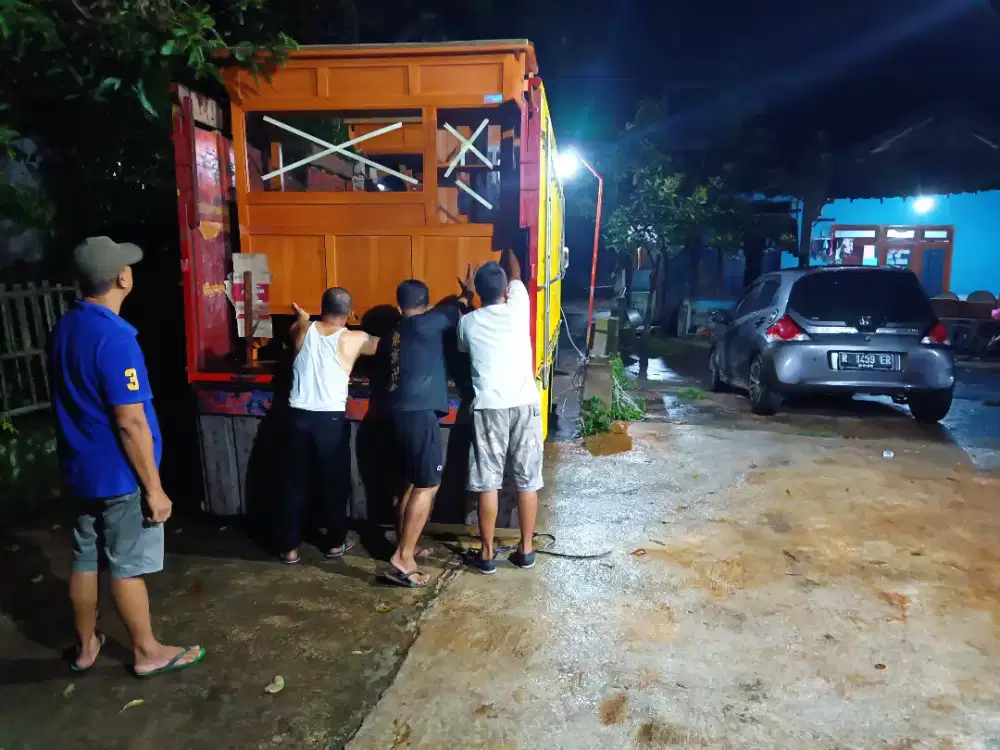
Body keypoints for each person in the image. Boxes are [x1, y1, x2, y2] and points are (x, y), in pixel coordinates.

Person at [50, 236, 204, 677]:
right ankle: (147, 651)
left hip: (79, 469)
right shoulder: (115, 338)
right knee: (126, 564)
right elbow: (130, 421)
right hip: (119, 475)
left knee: (84, 558)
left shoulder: (66, 328)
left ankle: (85, 647)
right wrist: (154, 489)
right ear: (122, 277)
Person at [385, 271, 475, 587]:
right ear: (425, 304)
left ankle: (406, 544)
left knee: (408, 484)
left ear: (400, 305)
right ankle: (403, 556)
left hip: (397, 412)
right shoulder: (429, 323)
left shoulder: (394, 332)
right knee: (428, 484)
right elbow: (458, 308)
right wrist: (467, 293)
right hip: (419, 413)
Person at [457, 249, 542, 575]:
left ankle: (488, 554)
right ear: (506, 290)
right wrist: (509, 250)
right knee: (527, 481)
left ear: (478, 291)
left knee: (488, 482)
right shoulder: (520, 307)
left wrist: (466, 298)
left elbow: (463, 343)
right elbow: (517, 272)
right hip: (525, 403)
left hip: (489, 408)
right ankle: (526, 550)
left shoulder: (467, 322)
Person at [279, 287, 378, 564]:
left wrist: (302, 317)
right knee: (334, 484)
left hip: (297, 418)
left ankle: (289, 548)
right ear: (349, 312)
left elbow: (296, 329)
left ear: (322, 307)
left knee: (293, 484)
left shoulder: (301, 331)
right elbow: (384, 345)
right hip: (330, 422)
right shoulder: (354, 338)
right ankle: (335, 543)